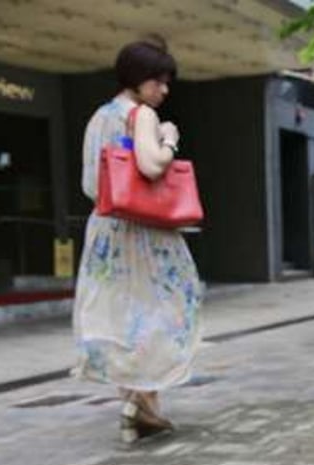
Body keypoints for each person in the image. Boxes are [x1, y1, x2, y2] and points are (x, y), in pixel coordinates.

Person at [73, 38, 202, 443]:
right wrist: (169, 139)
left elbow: (89, 182)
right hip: (144, 231)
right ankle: (144, 404)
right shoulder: (142, 114)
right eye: (159, 81)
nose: (164, 90)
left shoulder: (99, 117)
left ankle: (138, 404)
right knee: (166, 310)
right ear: (139, 79)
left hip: (106, 231)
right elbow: (150, 165)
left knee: (123, 317)